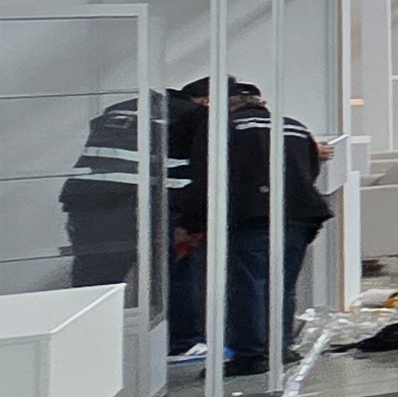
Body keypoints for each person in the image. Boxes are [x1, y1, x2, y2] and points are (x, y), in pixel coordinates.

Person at [164, 79, 334, 376]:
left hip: (249, 217)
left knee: (247, 286)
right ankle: (280, 346)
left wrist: (190, 224)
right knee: (282, 284)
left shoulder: (222, 129)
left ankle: (251, 355)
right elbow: (310, 171)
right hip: (300, 216)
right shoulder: (294, 126)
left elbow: (205, 179)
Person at [57, 91, 177, 291]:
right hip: (123, 202)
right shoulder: (180, 116)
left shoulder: (118, 111)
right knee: (165, 284)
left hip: (84, 197)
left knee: (93, 279)